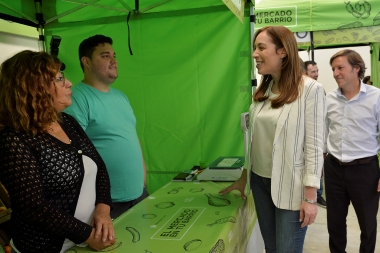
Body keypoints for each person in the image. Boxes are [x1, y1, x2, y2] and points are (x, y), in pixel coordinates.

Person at [220, 26, 325, 252]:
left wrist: (310, 197)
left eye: (261, 48)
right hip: (260, 182)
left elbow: (315, 147)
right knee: (271, 248)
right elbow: (256, 142)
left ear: (283, 51)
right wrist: (244, 177)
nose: (255, 54)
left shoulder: (311, 90)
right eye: (254, 48)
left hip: (291, 187)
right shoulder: (262, 93)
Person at [0, 51, 115, 253]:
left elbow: (99, 168)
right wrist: (88, 235)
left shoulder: (67, 121)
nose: (69, 83)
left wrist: (103, 209)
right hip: (45, 247)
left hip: (84, 241)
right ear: (34, 88)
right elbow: (34, 207)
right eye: (59, 79)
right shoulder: (14, 139)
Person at [64, 35, 148, 219]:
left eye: (114, 55)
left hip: (138, 192)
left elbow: (130, 136)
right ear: (86, 61)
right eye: (105, 56)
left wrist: (143, 172)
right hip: (106, 202)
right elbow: (71, 151)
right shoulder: (77, 98)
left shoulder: (120, 96)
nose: (114, 60)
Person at [324, 49, 380, 253]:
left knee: (368, 224)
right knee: (335, 223)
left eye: (340, 68)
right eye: (333, 69)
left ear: (357, 68)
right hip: (334, 168)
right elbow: (323, 135)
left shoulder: (376, 97)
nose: (335, 73)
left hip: (365, 171)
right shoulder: (329, 99)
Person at [304, 60, 327, 208]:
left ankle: (318, 194)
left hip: (320, 139)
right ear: (304, 73)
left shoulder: (320, 90)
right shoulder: (301, 91)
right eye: (313, 72)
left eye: (317, 71)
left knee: (319, 168)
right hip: (305, 142)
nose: (317, 74)